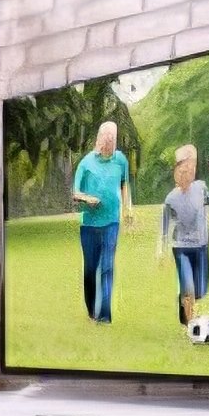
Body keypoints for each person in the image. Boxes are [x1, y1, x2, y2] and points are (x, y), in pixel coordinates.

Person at [71, 121, 135, 324]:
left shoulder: (120, 160)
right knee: (91, 269)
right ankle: (92, 310)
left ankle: (105, 315)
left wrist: (128, 208)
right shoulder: (86, 163)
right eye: (106, 139)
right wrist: (87, 199)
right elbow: (75, 193)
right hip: (89, 225)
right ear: (99, 139)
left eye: (112, 139)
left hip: (111, 222)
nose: (109, 143)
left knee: (107, 267)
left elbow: (124, 184)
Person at [156, 144, 209, 328]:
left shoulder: (201, 189)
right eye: (182, 171)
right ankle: (190, 324)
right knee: (188, 288)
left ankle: (185, 301)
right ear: (176, 173)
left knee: (200, 290)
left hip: (201, 246)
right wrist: (161, 251)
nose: (186, 174)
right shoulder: (170, 199)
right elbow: (164, 228)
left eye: (190, 170)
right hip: (181, 248)